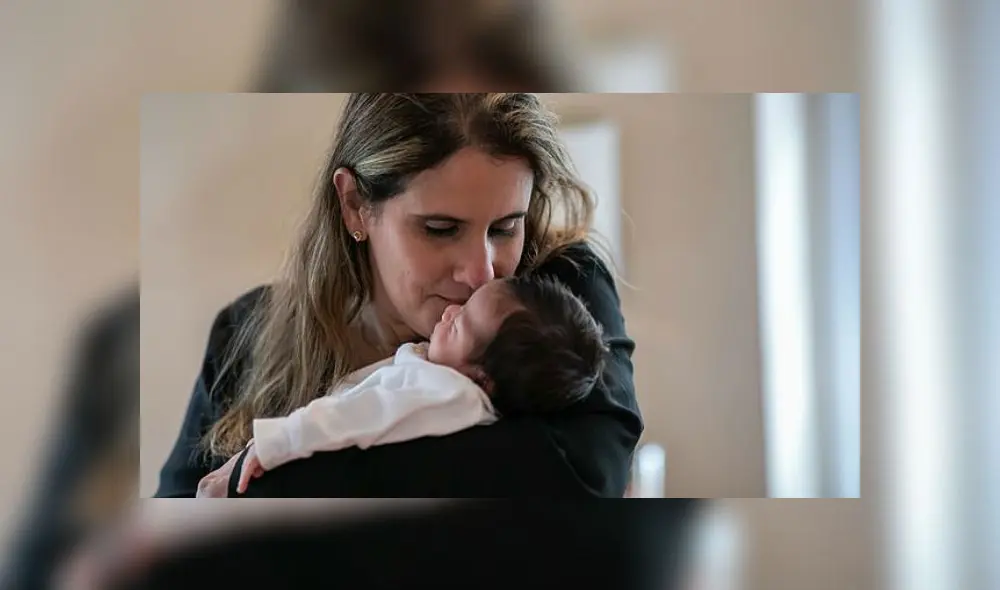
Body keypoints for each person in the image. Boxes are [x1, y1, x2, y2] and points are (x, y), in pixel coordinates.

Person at [154, 93, 642, 498]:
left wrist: (271, 478)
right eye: (440, 228)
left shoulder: (557, 299)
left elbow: (584, 483)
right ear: (354, 207)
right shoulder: (247, 332)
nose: (482, 273)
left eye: (505, 227)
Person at [194, 274, 607, 497]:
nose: (450, 313)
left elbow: (356, 415)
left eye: (461, 324)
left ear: (482, 378)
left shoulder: (449, 396)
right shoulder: (444, 378)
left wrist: (274, 442)